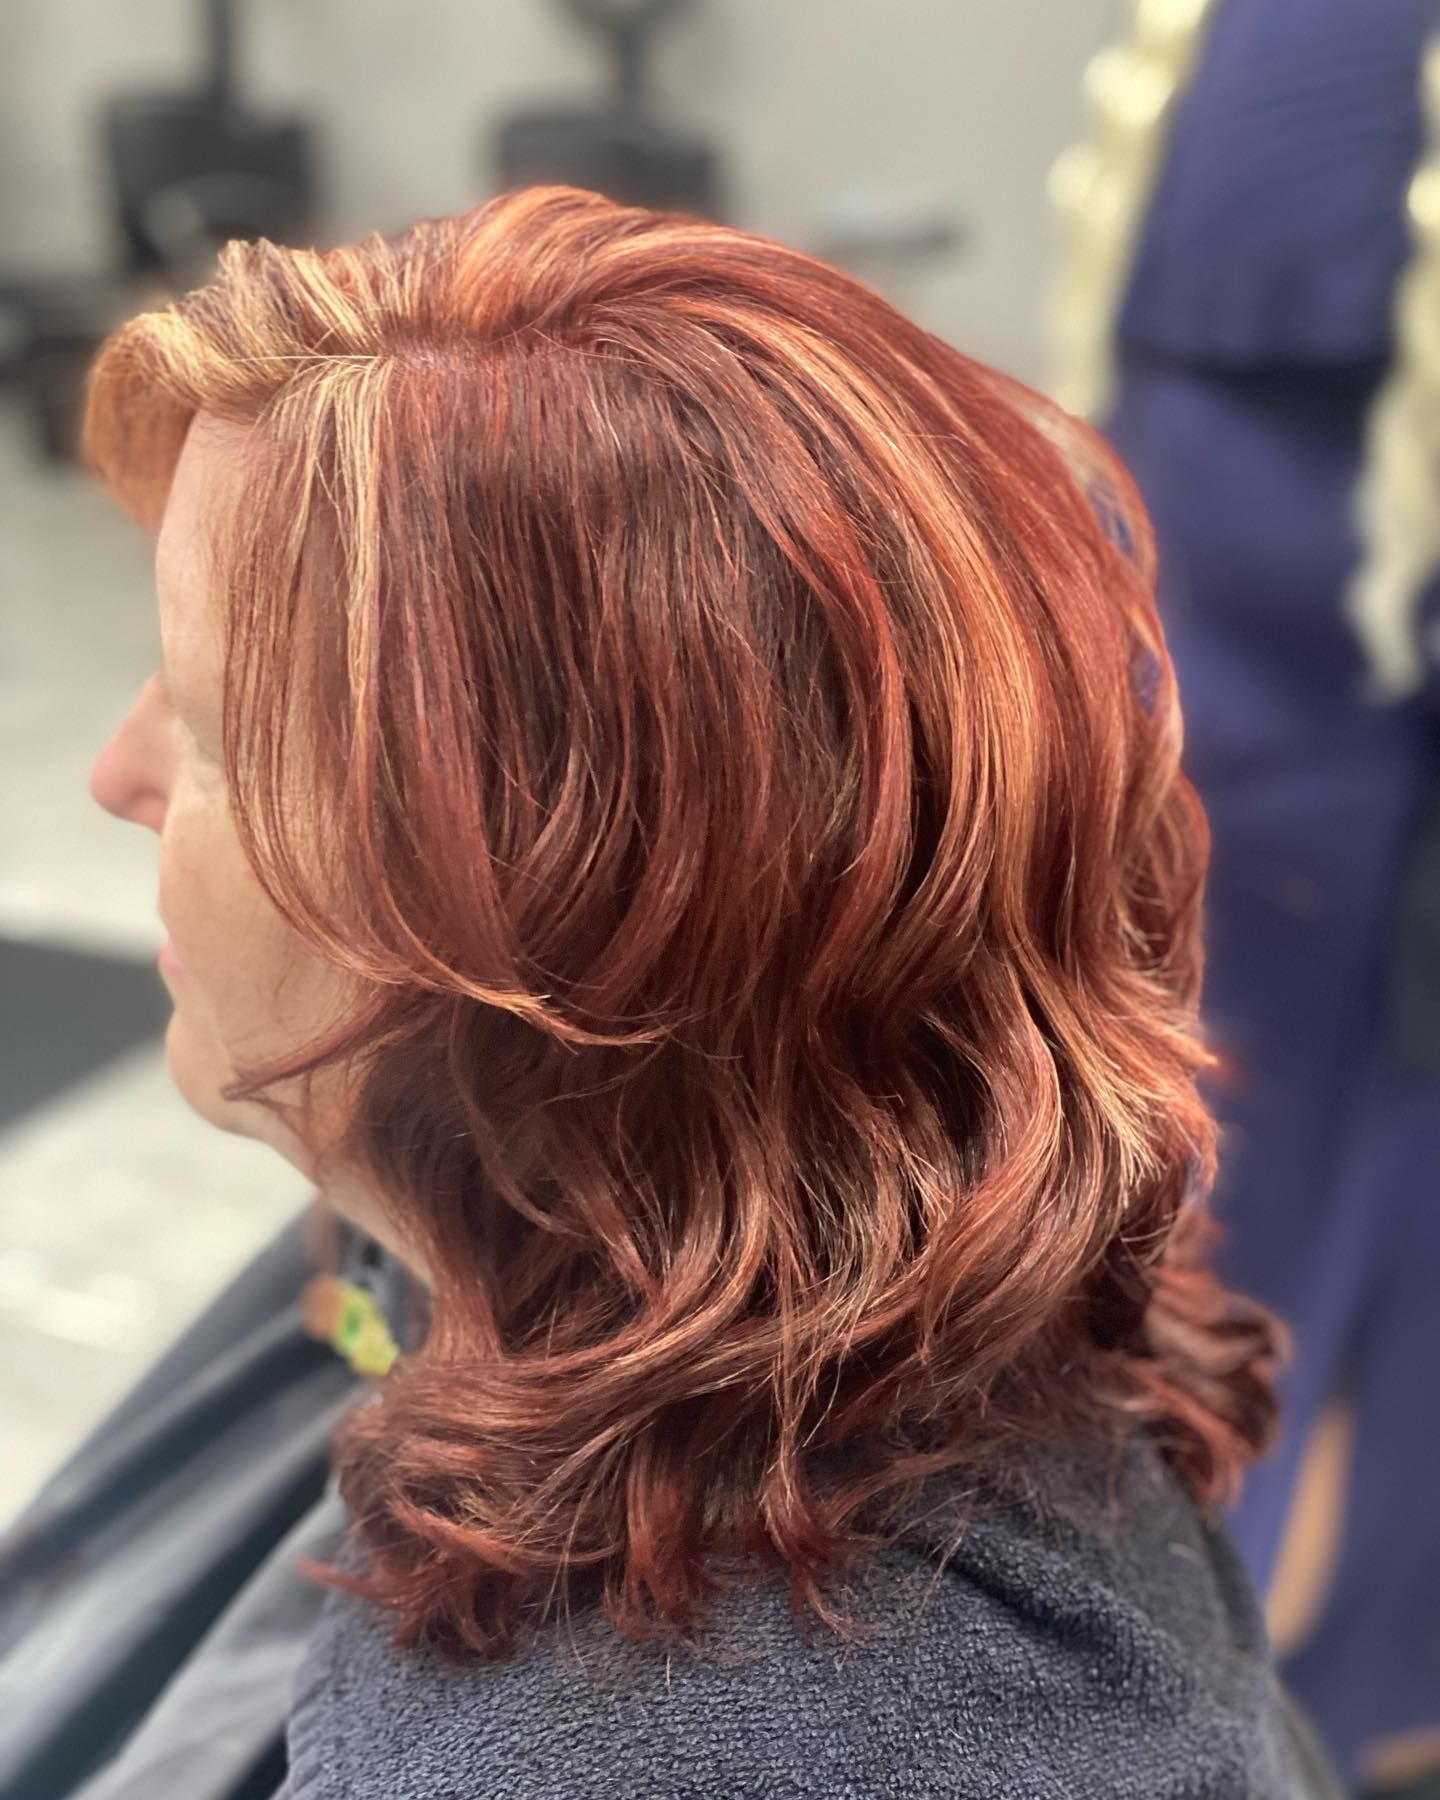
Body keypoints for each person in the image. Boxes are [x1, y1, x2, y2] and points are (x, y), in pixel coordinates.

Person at [6, 186, 1335, 1797]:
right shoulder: (599, 1251)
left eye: (211, 731)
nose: (112, 774)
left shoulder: (659, 1755)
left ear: (547, 931)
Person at [1053, 1, 1440, 1785]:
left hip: (1362, 551)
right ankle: (1205, 1642)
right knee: (1199, 1121)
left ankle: (1348, 1680)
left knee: (1369, 1138)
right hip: (1218, 526)